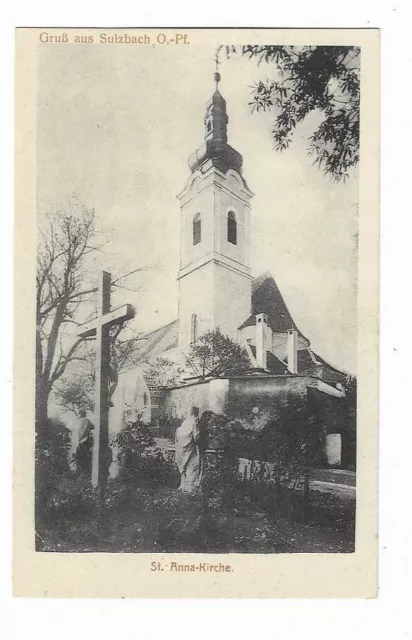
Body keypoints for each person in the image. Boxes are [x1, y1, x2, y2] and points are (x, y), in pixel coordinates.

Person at [175, 406, 204, 494]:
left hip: (183, 449)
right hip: (192, 449)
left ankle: (184, 486)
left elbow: (179, 433)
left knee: (185, 468)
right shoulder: (194, 421)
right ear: (196, 413)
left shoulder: (185, 421)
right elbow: (196, 437)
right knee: (193, 467)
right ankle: (191, 488)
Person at [75, 409, 94, 475]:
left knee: (79, 457)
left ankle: (80, 472)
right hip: (85, 441)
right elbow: (92, 427)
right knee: (85, 457)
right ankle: (85, 472)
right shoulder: (87, 420)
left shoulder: (77, 421)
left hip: (80, 442)